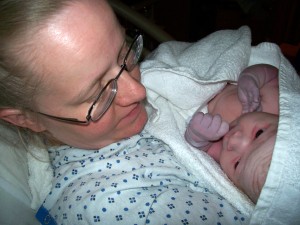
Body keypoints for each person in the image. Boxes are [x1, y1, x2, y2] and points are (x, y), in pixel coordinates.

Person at [0, 0, 248, 224]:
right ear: (26, 118)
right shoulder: (115, 207)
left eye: (125, 54)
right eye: (96, 94)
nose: (138, 91)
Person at [185, 63, 279, 203]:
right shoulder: (274, 103)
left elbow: (204, 148)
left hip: (191, 96)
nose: (233, 141)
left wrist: (198, 136)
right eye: (258, 134)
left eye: (237, 163)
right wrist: (252, 77)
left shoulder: (223, 155)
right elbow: (274, 75)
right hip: (216, 71)